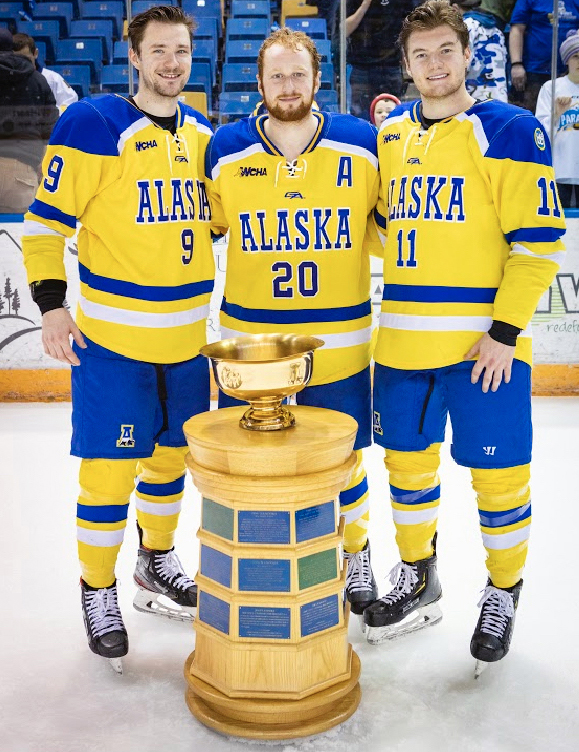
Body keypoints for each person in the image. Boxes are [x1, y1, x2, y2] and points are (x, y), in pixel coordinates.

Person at [366, 0, 565, 675]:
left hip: (483, 352)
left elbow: (537, 246)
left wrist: (503, 333)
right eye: (419, 55)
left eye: (443, 52)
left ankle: (503, 589)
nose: (432, 66)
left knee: (499, 480)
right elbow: (385, 228)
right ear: (407, 63)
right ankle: (417, 575)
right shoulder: (390, 135)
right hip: (400, 348)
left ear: (465, 54)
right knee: (406, 471)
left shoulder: (507, 129)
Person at [21, 6, 215, 673]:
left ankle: (155, 560)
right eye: (158, 50)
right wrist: (52, 305)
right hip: (114, 345)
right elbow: (44, 226)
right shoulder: (93, 124)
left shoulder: (204, 136)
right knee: (108, 474)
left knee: (169, 462)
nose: (171, 62)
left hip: (187, 345)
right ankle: (97, 587)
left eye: (181, 50)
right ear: (133, 56)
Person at [206, 27, 383, 619]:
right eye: (276, 75)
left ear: (318, 79)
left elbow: (391, 229)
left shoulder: (362, 145)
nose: (288, 86)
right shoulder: (224, 151)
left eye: (298, 75)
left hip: (341, 348)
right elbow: (200, 232)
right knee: (255, 471)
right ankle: (256, 561)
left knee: (349, 463)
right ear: (258, 83)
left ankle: (355, 554)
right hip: (253, 356)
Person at [0, 27, 58, 213]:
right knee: (16, 239)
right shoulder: (37, 79)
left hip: (22, 160)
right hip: (22, 170)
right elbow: (51, 127)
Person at [345, 0, 418, 120]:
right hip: (361, 65)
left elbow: (413, 27)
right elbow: (344, 30)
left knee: (395, 117)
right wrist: (364, 6)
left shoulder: (404, 3)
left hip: (391, 64)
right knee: (361, 117)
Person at [509, 0, 579, 113]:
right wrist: (516, 64)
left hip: (569, 72)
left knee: (568, 116)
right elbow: (517, 29)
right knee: (532, 115)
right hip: (535, 70)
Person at [536, 29, 579, 207]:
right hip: (560, 169)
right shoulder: (551, 87)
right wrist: (557, 113)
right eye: (576, 56)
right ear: (567, 59)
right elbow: (539, 133)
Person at [452, 0, 508, 101]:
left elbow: (462, 64)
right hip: (499, 97)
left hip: (474, 99)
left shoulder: (463, 28)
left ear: (455, 8)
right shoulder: (497, 31)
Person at [13, 33, 78, 110]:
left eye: (26, 59)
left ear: (35, 53)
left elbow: (70, 104)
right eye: (17, 60)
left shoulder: (53, 79)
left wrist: (50, 115)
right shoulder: (5, 81)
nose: (22, 64)